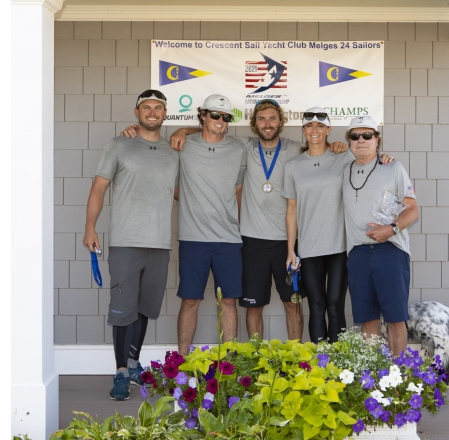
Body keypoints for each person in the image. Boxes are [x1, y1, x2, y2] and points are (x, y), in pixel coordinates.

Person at [169, 100, 346, 342]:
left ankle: (294, 359)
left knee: (292, 304)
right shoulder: (243, 146)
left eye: (272, 118)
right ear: (254, 124)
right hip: (252, 240)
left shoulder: (296, 150)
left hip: (288, 242)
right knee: (254, 306)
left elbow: (319, 151)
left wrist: (335, 145)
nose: (267, 124)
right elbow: (212, 130)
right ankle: (255, 358)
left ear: (281, 122)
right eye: (262, 119)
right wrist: (182, 130)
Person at [83, 89, 179, 401]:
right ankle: (121, 371)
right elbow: (99, 188)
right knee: (122, 309)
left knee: (144, 308)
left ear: (165, 114)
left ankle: (136, 364)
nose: (152, 112)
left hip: (159, 243)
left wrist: (187, 131)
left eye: (158, 108)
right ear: (137, 113)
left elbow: (179, 192)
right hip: (126, 242)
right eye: (146, 108)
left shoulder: (172, 151)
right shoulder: (120, 145)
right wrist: (90, 228)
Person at [283, 108, 393, 344]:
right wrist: (291, 250)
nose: (314, 130)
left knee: (334, 306)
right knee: (316, 306)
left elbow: (368, 156)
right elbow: (291, 210)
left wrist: (386, 157)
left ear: (328, 130)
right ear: (303, 130)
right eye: (309, 126)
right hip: (309, 246)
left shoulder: (344, 156)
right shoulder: (293, 165)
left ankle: (335, 364)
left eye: (320, 126)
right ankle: (317, 364)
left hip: (340, 245)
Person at [174, 94, 247, 354]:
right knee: (190, 300)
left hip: (228, 239)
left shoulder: (239, 148)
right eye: (214, 114)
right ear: (203, 115)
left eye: (225, 117)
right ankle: (182, 360)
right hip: (192, 237)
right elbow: (174, 188)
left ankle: (229, 362)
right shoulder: (183, 143)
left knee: (228, 302)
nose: (220, 120)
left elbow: (238, 191)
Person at [341, 115, 419, 356]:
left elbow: (413, 209)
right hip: (358, 253)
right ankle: (373, 377)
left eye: (367, 135)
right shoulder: (344, 170)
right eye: (355, 136)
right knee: (367, 319)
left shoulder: (393, 167)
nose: (361, 140)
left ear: (377, 140)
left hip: (391, 251)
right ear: (349, 141)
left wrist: (391, 229)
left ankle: (398, 376)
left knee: (395, 318)